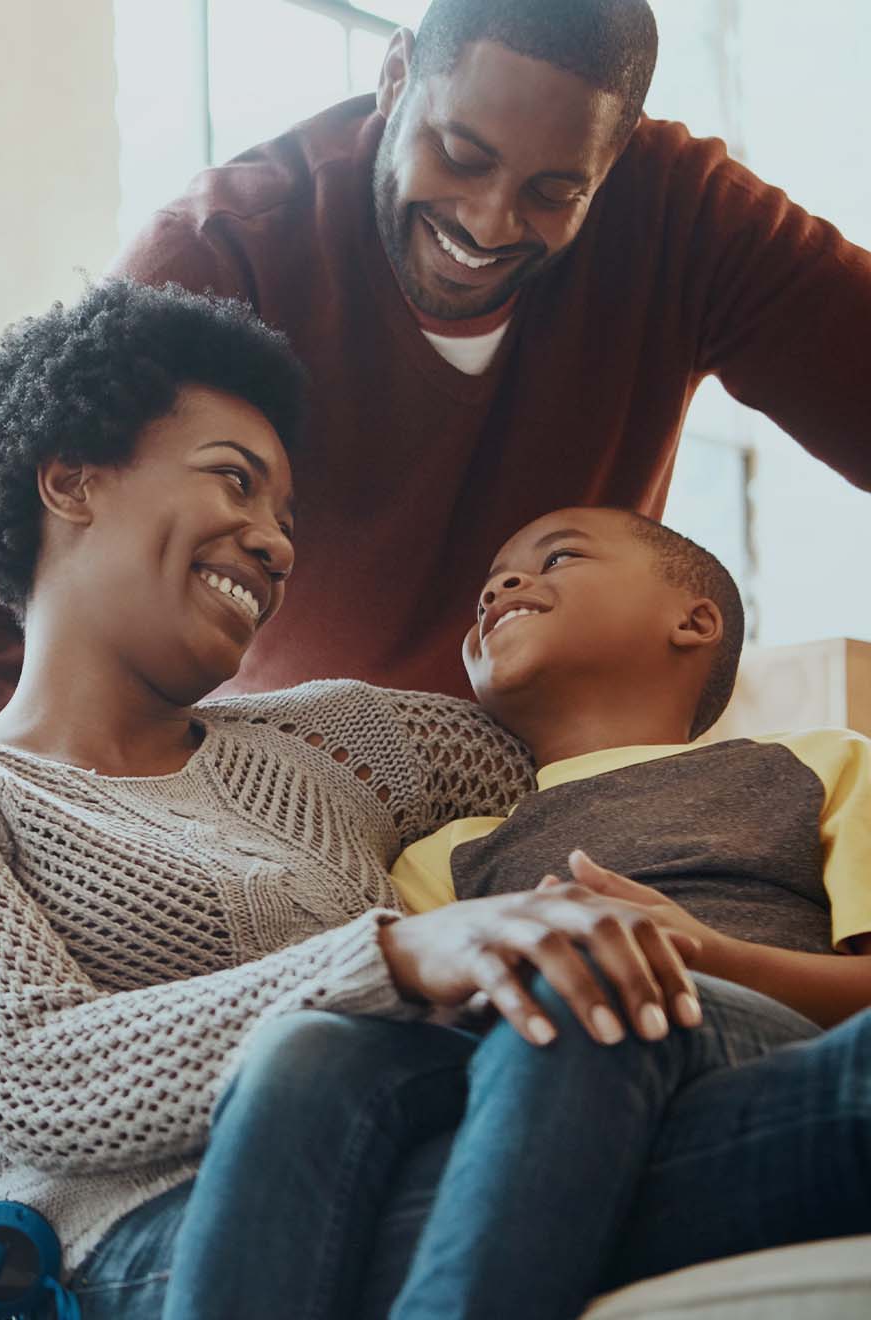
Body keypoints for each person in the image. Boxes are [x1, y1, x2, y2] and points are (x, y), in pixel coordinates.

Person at [0, 280, 724, 1318]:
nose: (275, 542)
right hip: (146, 1242)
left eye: (284, 517)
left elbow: (597, 738)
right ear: (71, 481)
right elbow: (35, 1078)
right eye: (233, 482)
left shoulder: (342, 737)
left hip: (446, 1145)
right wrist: (393, 957)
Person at [0, 0, 871, 724]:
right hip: (276, 779)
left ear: (613, 165)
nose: (488, 222)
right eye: (460, 152)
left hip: (547, 790)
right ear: (394, 76)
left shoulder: (688, 219)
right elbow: (18, 566)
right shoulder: (221, 251)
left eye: (551, 191)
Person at [161, 508, 871, 1319]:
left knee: (580, 971)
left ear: (693, 620)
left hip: (760, 1041)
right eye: (487, 585)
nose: (500, 586)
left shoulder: (820, 763)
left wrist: (709, 953)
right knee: (307, 1045)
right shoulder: (449, 852)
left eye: (558, 557)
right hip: (549, 1090)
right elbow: (424, 1037)